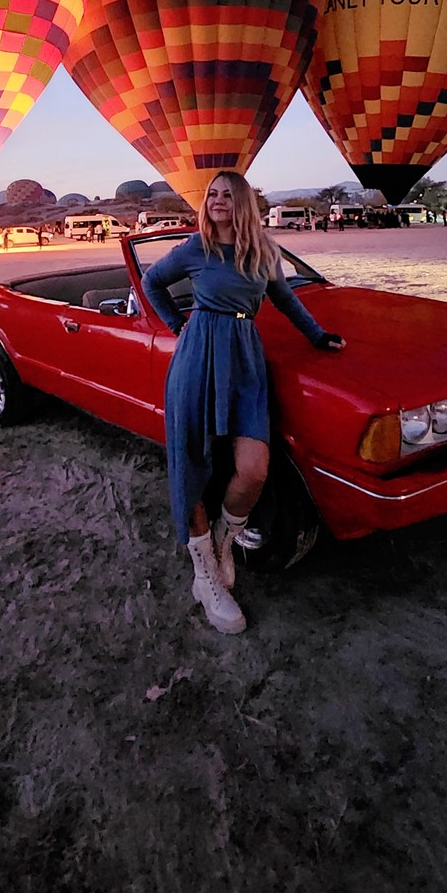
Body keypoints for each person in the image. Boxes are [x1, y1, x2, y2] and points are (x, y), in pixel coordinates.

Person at [142, 172, 346, 636]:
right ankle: (205, 576)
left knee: (253, 466)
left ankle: (224, 539)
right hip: (198, 354)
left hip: (244, 356)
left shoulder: (263, 253)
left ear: (245, 204)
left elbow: (287, 300)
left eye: (226, 195)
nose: (216, 201)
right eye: (211, 194)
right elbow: (153, 283)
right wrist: (180, 328)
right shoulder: (196, 248)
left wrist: (317, 336)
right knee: (192, 460)